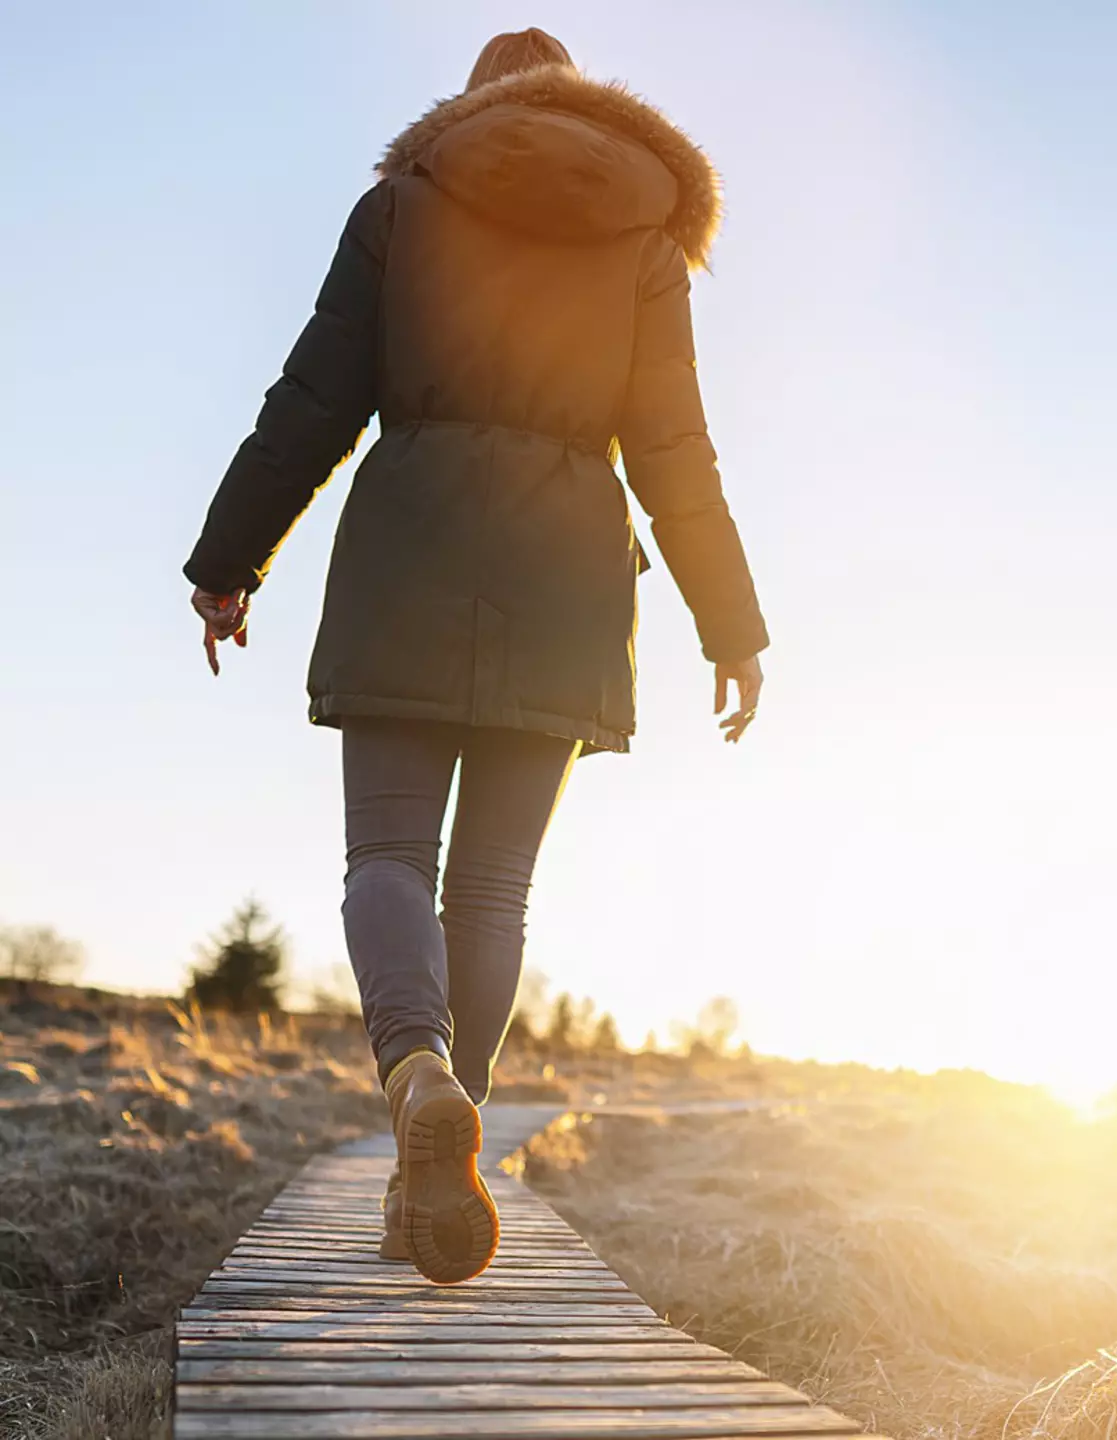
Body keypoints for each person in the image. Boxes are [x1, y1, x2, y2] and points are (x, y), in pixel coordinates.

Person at [183, 28, 768, 1284]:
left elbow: (312, 400)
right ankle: (433, 1160)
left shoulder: (404, 203)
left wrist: (228, 561)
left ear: (474, 103)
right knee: (493, 889)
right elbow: (675, 452)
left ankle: (416, 1081)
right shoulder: (648, 241)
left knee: (388, 853)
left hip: (412, 550)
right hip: (564, 576)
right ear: (587, 102)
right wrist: (733, 629)